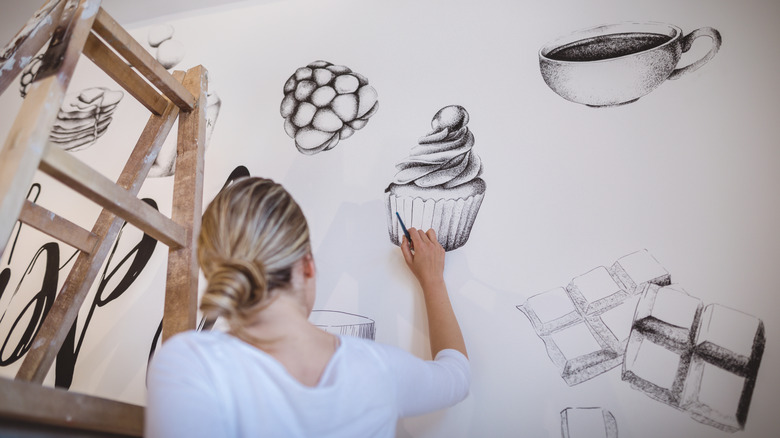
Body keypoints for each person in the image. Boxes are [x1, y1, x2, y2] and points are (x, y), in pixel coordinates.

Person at [145, 177, 470, 437]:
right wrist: (433, 281)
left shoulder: (189, 361)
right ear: (308, 265)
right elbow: (457, 374)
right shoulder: (379, 369)